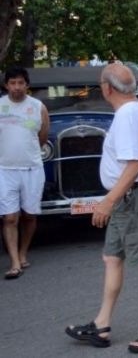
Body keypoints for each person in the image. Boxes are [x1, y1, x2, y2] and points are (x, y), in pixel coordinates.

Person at [65, 63, 138, 353]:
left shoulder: (126, 116)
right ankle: (101, 325)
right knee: (112, 258)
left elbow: (135, 163)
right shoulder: (136, 109)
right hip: (128, 196)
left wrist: (108, 201)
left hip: (132, 197)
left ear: (107, 88)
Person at [0, 67, 49, 280]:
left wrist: (27, 153)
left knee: (29, 215)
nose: (17, 87)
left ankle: (23, 252)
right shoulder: (1, 106)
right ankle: (14, 263)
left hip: (32, 168)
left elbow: (42, 136)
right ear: (6, 85)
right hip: (5, 169)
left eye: (21, 83)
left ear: (27, 85)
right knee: (10, 217)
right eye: (12, 83)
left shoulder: (38, 107)